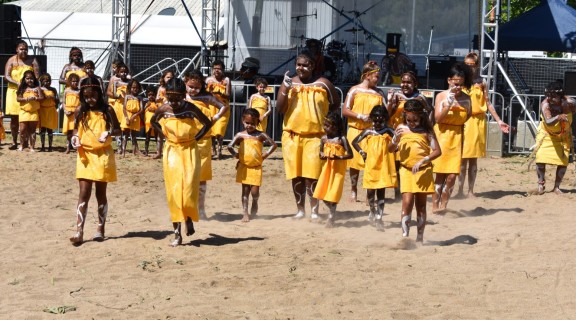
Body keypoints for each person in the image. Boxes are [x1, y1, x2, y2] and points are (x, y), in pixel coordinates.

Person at [276, 51, 340, 220]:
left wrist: (322, 118)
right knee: (296, 175)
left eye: (305, 65)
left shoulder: (323, 83)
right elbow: (280, 109)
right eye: (299, 65)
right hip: (292, 136)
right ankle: (300, 210)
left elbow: (335, 103)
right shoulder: (290, 83)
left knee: (312, 175)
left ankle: (314, 210)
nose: (301, 68)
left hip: (315, 136)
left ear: (312, 66)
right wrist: (285, 87)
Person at [150, 77, 212, 247]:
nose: (175, 102)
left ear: (184, 96)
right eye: (171, 98)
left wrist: (196, 138)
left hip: (190, 150)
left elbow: (207, 124)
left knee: (189, 188)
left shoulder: (191, 109)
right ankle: (177, 234)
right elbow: (153, 122)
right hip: (172, 152)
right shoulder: (163, 108)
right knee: (174, 191)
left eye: (178, 98)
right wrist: (163, 134)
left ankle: (189, 217)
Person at [69, 76, 121, 246]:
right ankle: (79, 231)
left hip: (102, 155)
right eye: (86, 96)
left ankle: (100, 228)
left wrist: (109, 133)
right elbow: (76, 128)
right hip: (85, 155)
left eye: (93, 96)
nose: (90, 99)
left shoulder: (108, 110)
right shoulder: (80, 110)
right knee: (84, 192)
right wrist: (75, 137)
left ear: (99, 94)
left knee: (100, 193)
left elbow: (118, 130)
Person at [457, 52, 510, 198]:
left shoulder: (482, 82)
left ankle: (470, 191)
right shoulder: (459, 81)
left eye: (472, 65)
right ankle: (459, 190)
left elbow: (488, 103)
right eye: (466, 64)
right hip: (462, 120)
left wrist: (499, 121)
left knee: (472, 158)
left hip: (477, 121)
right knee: (461, 158)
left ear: (477, 66)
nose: (469, 67)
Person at [388, 100, 441, 242]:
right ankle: (405, 237)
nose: (411, 123)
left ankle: (419, 238)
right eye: (409, 119)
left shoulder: (426, 131)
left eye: (415, 120)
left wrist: (423, 160)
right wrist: (395, 139)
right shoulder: (401, 128)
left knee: (421, 205)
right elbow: (390, 150)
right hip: (406, 170)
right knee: (407, 201)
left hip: (423, 171)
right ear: (404, 115)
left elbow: (437, 151)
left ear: (421, 117)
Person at [183, 70, 228, 220]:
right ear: (185, 83)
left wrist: (214, 118)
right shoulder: (182, 97)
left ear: (202, 85)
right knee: (186, 175)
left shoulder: (207, 97)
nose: (193, 90)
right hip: (186, 141)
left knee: (201, 177)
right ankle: (187, 208)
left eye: (196, 87)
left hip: (203, 141)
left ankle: (201, 209)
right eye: (190, 86)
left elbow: (223, 107)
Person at [341, 61, 385, 202]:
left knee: (370, 164)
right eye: (376, 76)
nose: (378, 79)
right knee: (354, 163)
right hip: (355, 130)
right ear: (367, 76)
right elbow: (345, 110)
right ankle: (353, 190)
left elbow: (385, 112)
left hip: (372, 133)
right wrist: (359, 116)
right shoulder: (355, 90)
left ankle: (369, 193)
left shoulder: (379, 93)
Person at [432, 63, 472, 213]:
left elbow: (468, 115)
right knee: (440, 174)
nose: (458, 87)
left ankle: (445, 204)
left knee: (452, 175)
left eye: (461, 84)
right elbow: (437, 118)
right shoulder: (441, 96)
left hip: (457, 137)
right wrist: (448, 104)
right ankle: (435, 205)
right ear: (449, 80)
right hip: (442, 136)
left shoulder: (467, 99)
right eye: (456, 83)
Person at [387, 71, 432, 199]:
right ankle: (399, 191)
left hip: (416, 133)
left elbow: (430, 111)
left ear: (415, 84)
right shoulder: (396, 95)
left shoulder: (420, 97)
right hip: (398, 132)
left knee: (412, 160)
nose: (405, 85)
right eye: (403, 82)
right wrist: (390, 102)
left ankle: (414, 188)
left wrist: (427, 127)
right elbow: (388, 114)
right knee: (397, 163)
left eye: (408, 82)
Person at [227, 108, 278, 222]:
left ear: (257, 123)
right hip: (244, 168)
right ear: (242, 121)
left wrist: (265, 155)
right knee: (245, 191)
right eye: (247, 123)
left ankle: (255, 201)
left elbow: (274, 145)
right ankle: (245, 213)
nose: (249, 126)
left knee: (254, 192)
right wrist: (237, 156)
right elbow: (230, 146)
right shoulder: (240, 135)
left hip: (256, 168)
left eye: (252, 124)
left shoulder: (261, 135)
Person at [352, 105, 396, 231]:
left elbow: (398, 141)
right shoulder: (368, 131)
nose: (377, 123)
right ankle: (372, 210)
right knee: (370, 193)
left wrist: (395, 145)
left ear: (385, 119)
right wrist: (362, 152)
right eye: (375, 120)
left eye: (380, 120)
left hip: (383, 166)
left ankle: (379, 218)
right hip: (371, 166)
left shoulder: (389, 131)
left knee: (381, 193)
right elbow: (355, 142)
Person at [532, 81, 576, 195]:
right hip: (547, 135)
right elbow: (548, 122)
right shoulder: (545, 104)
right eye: (548, 95)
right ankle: (540, 184)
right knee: (540, 159)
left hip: (563, 136)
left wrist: (567, 121)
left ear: (561, 96)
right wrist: (558, 117)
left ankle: (557, 187)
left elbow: (573, 112)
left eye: (553, 96)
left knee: (563, 162)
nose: (549, 98)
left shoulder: (570, 102)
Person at [312, 111, 353, 228]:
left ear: (335, 126)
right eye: (324, 125)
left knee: (333, 193)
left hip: (338, 171)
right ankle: (332, 210)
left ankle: (331, 216)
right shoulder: (324, 139)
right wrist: (323, 155)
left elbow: (350, 155)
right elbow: (320, 154)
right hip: (327, 169)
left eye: (327, 125)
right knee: (321, 193)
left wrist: (339, 157)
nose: (325, 128)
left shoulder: (342, 139)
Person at [3, 40, 41, 149]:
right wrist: (18, 83)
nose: (23, 51)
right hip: (13, 91)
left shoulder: (33, 60)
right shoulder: (11, 60)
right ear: (17, 49)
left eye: (25, 49)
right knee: (14, 118)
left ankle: (28, 143)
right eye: (21, 49)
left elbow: (37, 76)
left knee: (28, 118)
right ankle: (15, 142)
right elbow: (6, 76)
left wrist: (31, 87)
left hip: (28, 92)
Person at [206, 60, 232, 159]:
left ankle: (220, 150)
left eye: (219, 68)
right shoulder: (208, 80)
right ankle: (214, 151)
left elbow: (229, 95)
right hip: (211, 107)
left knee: (219, 130)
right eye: (215, 68)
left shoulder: (227, 80)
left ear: (223, 70)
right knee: (212, 131)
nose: (217, 70)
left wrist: (221, 93)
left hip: (223, 107)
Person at [16, 70, 45, 151]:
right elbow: (18, 98)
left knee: (32, 130)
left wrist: (36, 98)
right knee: (22, 129)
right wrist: (26, 99)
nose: (29, 80)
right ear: (24, 79)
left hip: (34, 112)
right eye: (27, 78)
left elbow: (42, 98)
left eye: (31, 78)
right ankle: (21, 145)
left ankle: (32, 147)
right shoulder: (22, 88)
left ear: (34, 79)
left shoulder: (37, 88)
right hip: (24, 111)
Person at [107, 63, 130, 153]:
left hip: (126, 106)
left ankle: (123, 146)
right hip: (117, 105)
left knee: (125, 126)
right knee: (117, 125)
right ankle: (118, 144)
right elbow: (109, 92)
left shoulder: (129, 81)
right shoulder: (115, 81)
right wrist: (116, 96)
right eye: (121, 71)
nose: (123, 73)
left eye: (125, 72)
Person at [121, 79, 143, 156]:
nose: (135, 89)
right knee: (126, 134)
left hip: (135, 116)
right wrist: (127, 118)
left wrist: (135, 115)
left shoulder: (139, 98)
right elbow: (124, 108)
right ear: (130, 87)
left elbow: (141, 109)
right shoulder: (127, 96)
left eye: (136, 87)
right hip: (127, 115)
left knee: (133, 134)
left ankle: (135, 150)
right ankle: (123, 151)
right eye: (133, 87)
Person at [38, 73, 59, 152]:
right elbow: (39, 99)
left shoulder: (53, 89)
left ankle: (50, 146)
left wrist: (53, 98)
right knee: (42, 129)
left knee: (50, 129)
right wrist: (44, 97)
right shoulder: (40, 89)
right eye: (45, 81)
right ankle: (42, 146)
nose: (47, 82)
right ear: (41, 81)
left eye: (49, 81)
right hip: (42, 110)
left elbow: (58, 100)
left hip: (51, 110)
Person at [62, 73, 81, 153]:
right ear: (69, 82)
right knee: (69, 131)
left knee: (76, 130)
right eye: (73, 81)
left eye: (76, 81)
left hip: (76, 112)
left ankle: (77, 146)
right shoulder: (66, 90)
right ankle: (68, 147)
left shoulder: (79, 91)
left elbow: (81, 103)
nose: (75, 83)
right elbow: (63, 102)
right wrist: (65, 110)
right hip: (68, 112)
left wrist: (78, 111)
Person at [143, 86, 160, 157]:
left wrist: (155, 110)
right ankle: (146, 150)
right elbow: (143, 110)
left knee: (156, 137)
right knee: (147, 137)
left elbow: (159, 111)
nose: (151, 96)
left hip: (155, 122)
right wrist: (146, 106)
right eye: (149, 95)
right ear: (147, 95)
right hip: (148, 123)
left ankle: (158, 150)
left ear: (155, 95)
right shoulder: (146, 103)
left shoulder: (156, 103)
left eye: (152, 95)